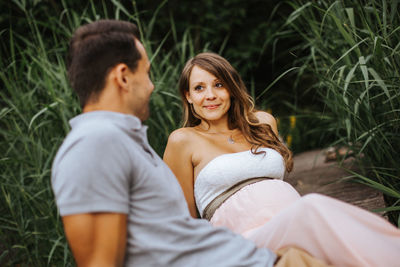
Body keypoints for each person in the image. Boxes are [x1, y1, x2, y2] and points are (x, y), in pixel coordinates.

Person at [51, 19, 332, 267]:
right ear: (124, 76)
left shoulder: (123, 142)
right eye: (147, 73)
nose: (151, 86)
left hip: (258, 256)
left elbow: (180, 233)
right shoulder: (94, 145)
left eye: (219, 84)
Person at [163, 52, 400, 267]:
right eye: (199, 88)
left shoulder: (262, 123)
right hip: (242, 242)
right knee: (313, 206)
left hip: (293, 223)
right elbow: (182, 220)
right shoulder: (183, 141)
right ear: (188, 96)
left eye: (218, 84)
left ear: (232, 88)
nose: (211, 95)